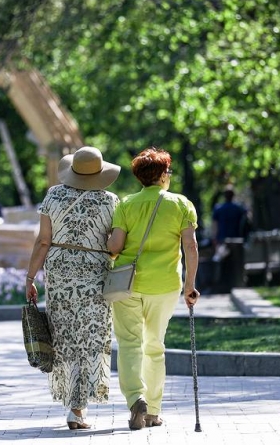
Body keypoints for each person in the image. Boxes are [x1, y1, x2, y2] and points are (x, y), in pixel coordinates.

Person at [25, 146, 120, 430]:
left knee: (64, 335)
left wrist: (30, 278)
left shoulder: (53, 195)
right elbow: (115, 244)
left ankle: (72, 405)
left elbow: (43, 240)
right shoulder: (111, 201)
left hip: (59, 273)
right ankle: (78, 409)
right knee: (90, 336)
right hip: (95, 274)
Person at [107, 147, 200, 430]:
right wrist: (190, 286)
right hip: (165, 285)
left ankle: (136, 398)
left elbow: (115, 247)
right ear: (161, 175)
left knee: (130, 343)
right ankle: (153, 411)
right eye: (168, 171)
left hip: (128, 285)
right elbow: (191, 248)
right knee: (155, 346)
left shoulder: (126, 205)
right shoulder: (181, 205)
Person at [211, 184, 248, 258]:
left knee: (222, 262)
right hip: (237, 241)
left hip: (222, 240)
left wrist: (214, 238)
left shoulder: (219, 209)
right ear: (233, 195)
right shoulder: (239, 208)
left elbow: (215, 225)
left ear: (224, 196)